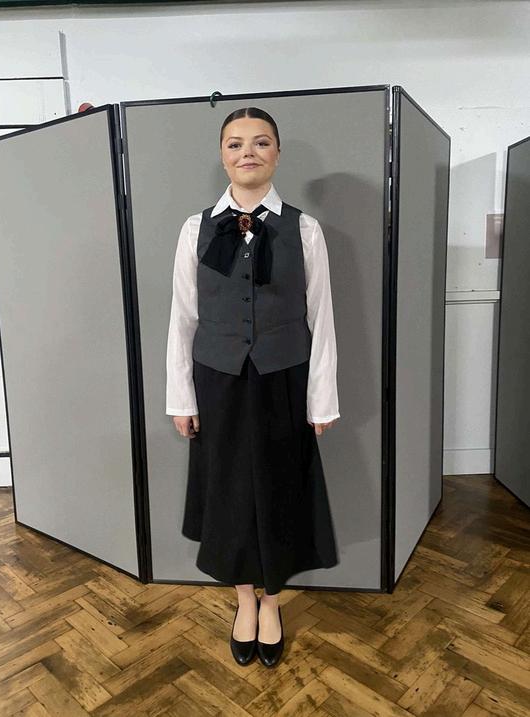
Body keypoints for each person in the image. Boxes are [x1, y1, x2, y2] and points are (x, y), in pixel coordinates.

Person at [166, 106, 340, 668]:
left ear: (277, 154)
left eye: (261, 142)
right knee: (229, 493)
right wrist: (181, 397)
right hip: (217, 381)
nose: (248, 152)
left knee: (279, 490)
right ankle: (244, 599)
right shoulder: (195, 229)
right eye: (236, 143)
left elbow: (321, 317)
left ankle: (271, 603)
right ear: (223, 155)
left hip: (282, 379)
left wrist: (321, 399)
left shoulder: (304, 230)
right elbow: (183, 318)